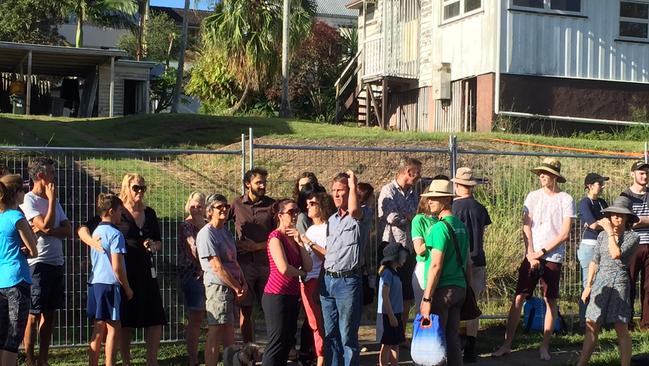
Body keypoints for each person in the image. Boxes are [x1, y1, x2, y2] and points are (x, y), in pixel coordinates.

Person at [79, 173, 167, 366]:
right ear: (126, 188)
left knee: (155, 316)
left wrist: (154, 245)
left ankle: (152, 361)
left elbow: (159, 241)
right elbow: (83, 229)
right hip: (123, 273)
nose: (140, 192)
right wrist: (94, 243)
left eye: (143, 188)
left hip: (146, 271)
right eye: (136, 187)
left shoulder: (149, 213)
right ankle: (126, 361)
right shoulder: (117, 211)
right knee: (124, 320)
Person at [492, 158, 574, 361]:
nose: (542, 176)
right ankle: (507, 344)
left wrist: (543, 251)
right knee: (519, 297)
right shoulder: (532, 196)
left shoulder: (565, 198)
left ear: (555, 176)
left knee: (550, 300)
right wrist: (531, 251)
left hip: (553, 256)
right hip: (532, 255)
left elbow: (565, 233)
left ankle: (545, 346)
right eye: (540, 173)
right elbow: (526, 225)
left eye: (546, 173)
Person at [20, 157, 72, 366]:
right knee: (33, 315)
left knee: (49, 316)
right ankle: (31, 360)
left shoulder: (55, 201)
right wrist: (50, 202)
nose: (54, 176)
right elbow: (45, 223)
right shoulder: (30, 200)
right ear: (40, 176)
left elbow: (66, 229)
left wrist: (50, 230)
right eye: (51, 173)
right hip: (38, 265)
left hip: (56, 262)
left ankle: (43, 359)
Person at [577, 196, 639, 366]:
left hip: (619, 282)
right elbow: (594, 261)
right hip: (600, 282)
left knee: (621, 327)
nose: (616, 217)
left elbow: (615, 254)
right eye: (613, 214)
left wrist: (610, 231)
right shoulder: (602, 235)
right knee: (591, 323)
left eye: (621, 215)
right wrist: (588, 286)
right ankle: (581, 363)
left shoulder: (632, 237)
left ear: (627, 218)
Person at [419, 178, 470, 366]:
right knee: (452, 338)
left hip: (442, 291)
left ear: (447, 200)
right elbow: (468, 263)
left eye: (435, 198)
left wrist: (426, 299)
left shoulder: (438, 229)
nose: (429, 201)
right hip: (459, 289)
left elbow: (435, 266)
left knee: (436, 340)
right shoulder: (461, 226)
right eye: (429, 197)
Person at [321, 171, 369, 366]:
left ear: (351, 193)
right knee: (330, 334)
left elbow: (355, 211)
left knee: (347, 336)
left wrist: (353, 183)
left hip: (348, 282)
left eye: (341, 190)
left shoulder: (361, 215)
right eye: (334, 191)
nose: (336, 194)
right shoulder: (331, 220)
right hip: (328, 280)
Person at [196, 194, 247, 366]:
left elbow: (233, 261)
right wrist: (236, 286)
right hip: (218, 288)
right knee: (216, 329)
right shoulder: (206, 234)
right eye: (219, 207)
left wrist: (243, 282)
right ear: (210, 211)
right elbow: (217, 266)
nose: (224, 209)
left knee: (229, 332)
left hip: (231, 287)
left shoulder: (225, 231)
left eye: (225, 206)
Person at [262, 199, 312, 366]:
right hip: (276, 295)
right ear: (280, 215)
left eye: (297, 211)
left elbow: (309, 265)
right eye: (291, 212)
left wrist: (300, 242)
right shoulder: (275, 237)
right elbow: (284, 268)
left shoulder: (293, 237)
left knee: (287, 341)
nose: (295, 214)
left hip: (292, 294)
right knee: (276, 341)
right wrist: (301, 273)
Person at [377, 157, 422, 344]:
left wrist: (411, 217)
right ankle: (387, 334)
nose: (420, 177)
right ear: (408, 172)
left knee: (406, 293)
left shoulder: (413, 193)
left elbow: (419, 214)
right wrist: (410, 217)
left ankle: (401, 334)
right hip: (392, 249)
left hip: (409, 248)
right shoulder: (388, 190)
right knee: (389, 292)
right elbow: (393, 217)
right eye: (417, 173)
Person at [229, 167, 276, 344]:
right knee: (245, 310)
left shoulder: (272, 205)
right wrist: (232, 245)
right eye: (259, 182)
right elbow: (218, 225)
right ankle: (249, 349)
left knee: (271, 308)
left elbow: (277, 235)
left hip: (267, 264)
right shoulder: (236, 204)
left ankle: (275, 347)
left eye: (264, 182)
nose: (263, 185)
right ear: (248, 184)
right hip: (245, 266)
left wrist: (257, 246)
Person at [87, 193, 133, 366]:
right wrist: (127, 287)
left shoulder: (96, 231)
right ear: (112, 211)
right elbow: (117, 267)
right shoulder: (116, 234)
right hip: (110, 284)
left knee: (98, 328)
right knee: (114, 327)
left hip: (95, 283)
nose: (121, 214)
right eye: (120, 211)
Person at [451, 167, 491, 363]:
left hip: (457, 262)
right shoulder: (480, 208)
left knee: (456, 304)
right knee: (473, 304)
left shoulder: (452, 208)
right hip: (478, 259)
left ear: (458, 185)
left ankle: (456, 343)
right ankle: (471, 347)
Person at [0, 174, 37, 366]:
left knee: (2, 333)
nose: (25, 192)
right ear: (16, 193)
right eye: (23, 189)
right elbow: (33, 250)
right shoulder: (17, 217)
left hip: (1, 281)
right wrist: (33, 236)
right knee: (14, 336)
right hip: (18, 280)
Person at [300, 191, 335, 366]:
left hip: (318, 279)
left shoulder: (328, 227)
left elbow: (328, 257)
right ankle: (321, 355)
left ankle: (323, 357)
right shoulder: (311, 228)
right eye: (307, 204)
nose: (308, 206)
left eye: (313, 203)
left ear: (322, 206)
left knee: (321, 323)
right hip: (306, 280)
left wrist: (308, 242)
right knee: (314, 323)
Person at [178, 191, 207, 366]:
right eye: (193, 205)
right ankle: (193, 359)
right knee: (195, 317)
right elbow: (196, 249)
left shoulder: (205, 224)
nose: (196, 209)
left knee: (209, 317)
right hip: (193, 274)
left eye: (200, 206)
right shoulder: (186, 226)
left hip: (208, 274)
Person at [577, 173, 609, 327]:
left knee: (600, 283)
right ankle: (585, 321)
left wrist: (601, 222)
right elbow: (593, 225)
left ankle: (597, 319)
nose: (602, 187)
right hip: (589, 246)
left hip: (602, 244)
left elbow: (609, 221)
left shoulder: (602, 202)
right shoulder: (584, 203)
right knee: (587, 283)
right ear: (589, 185)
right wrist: (604, 223)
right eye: (599, 183)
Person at [621, 160, 649, 329]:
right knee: (628, 284)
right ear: (633, 174)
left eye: (646, 173)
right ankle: (627, 322)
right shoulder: (625, 196)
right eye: (641, 173)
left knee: (648, 286)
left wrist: (639, 220)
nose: (644, 176)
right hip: (631, 244)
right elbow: (624, 222)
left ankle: (646, 323)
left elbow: (633, 220)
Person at [377, 243, 407, 366]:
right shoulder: (387, 273)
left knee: (395, 343)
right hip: (387, 314)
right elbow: (384, 296)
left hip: (396, 313)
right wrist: (391, 316)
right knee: (387, 344)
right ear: (395, 257)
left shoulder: (395, 272)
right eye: (402, 256)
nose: (404, 259)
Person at [411, 195, 438, 309]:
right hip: (424, 266)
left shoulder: (439, 219)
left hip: (438, 265)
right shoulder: (419, 219)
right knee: (422, 309)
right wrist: (436, 239)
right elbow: (419, 250)